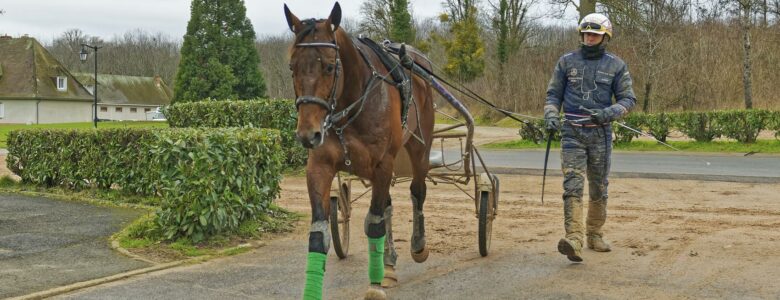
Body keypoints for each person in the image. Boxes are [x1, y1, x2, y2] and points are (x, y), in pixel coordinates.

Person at [543, 13, 636, 262]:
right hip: (571, 132)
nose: (589, 38)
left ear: (605, 37)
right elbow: (553, 95)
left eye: (594, 34)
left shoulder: (617, 65)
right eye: (586, 34)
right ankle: (573, 238)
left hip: (600, 134)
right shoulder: (565, 62)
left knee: (599, 186)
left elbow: (629, 99)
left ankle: (594, 234)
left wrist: (609, 112)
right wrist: (551, 114)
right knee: (572, 185)